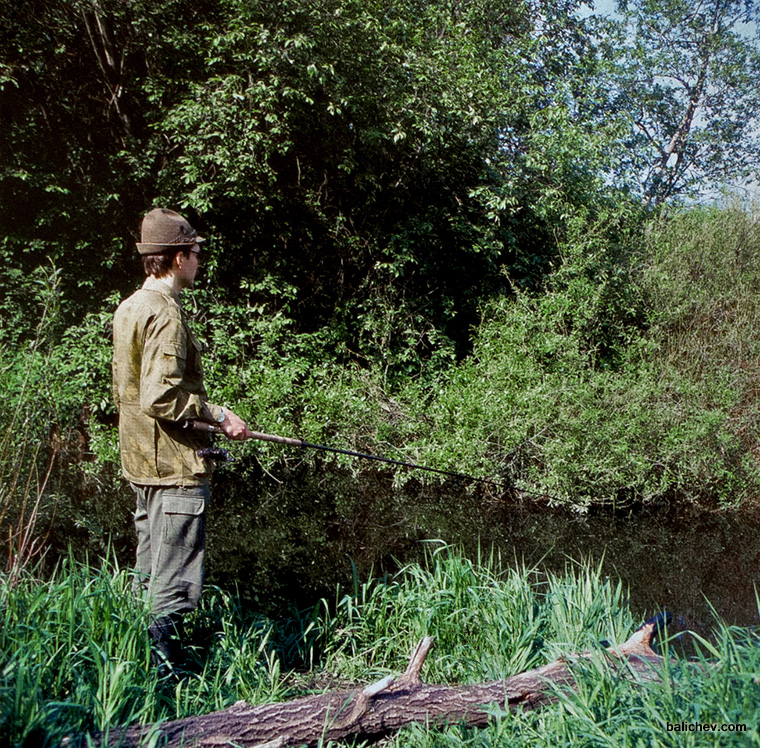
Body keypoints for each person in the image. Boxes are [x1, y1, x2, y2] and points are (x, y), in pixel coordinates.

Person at [112, 207, 248, 669]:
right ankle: (163, 681)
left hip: (140, 465)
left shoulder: (128, 307)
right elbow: (160, 395)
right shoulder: (165, 315)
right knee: (171, 584)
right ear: (174, 258)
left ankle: (130, 664)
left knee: (147, 574)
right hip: (173, 472)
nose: (198, 261)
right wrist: (219, 416)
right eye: (193, 252)